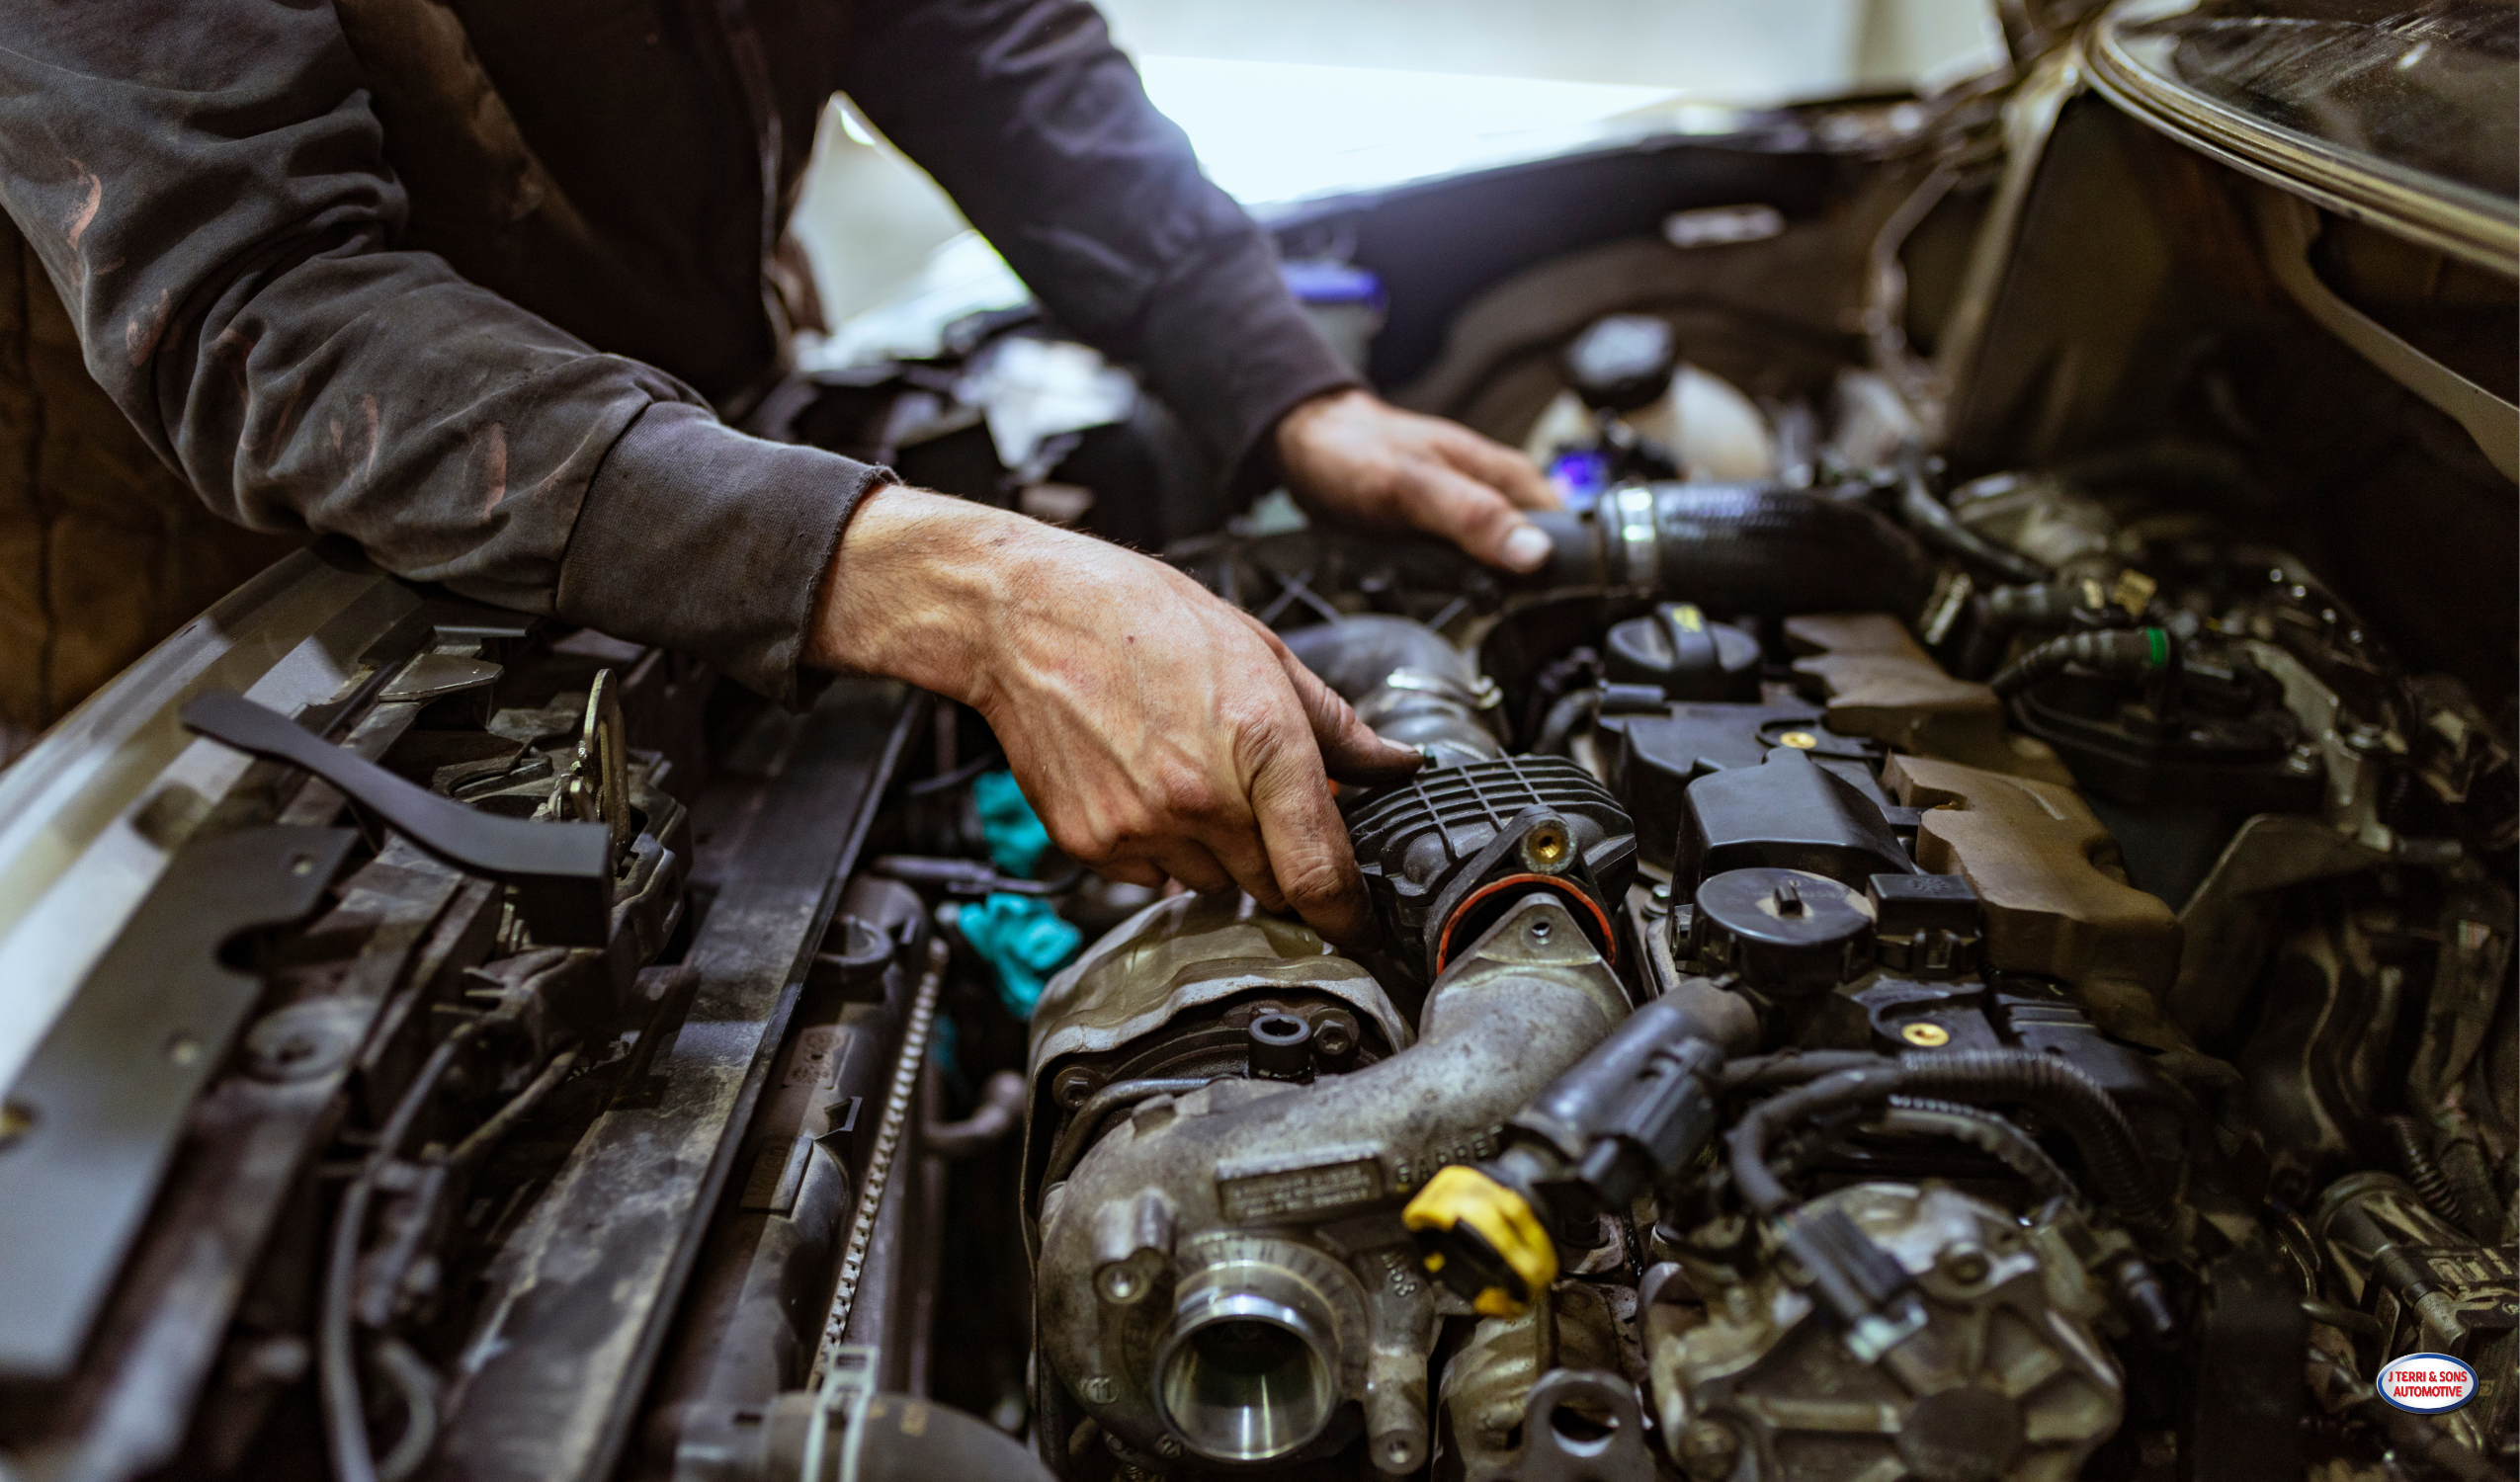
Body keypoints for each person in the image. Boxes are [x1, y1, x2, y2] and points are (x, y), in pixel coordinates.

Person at [0, 0, 1561, 946]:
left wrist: (1275, 381)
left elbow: (977, 39)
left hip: (695, 429)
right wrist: (967, 591)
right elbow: (265, 303)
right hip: (224, 605)